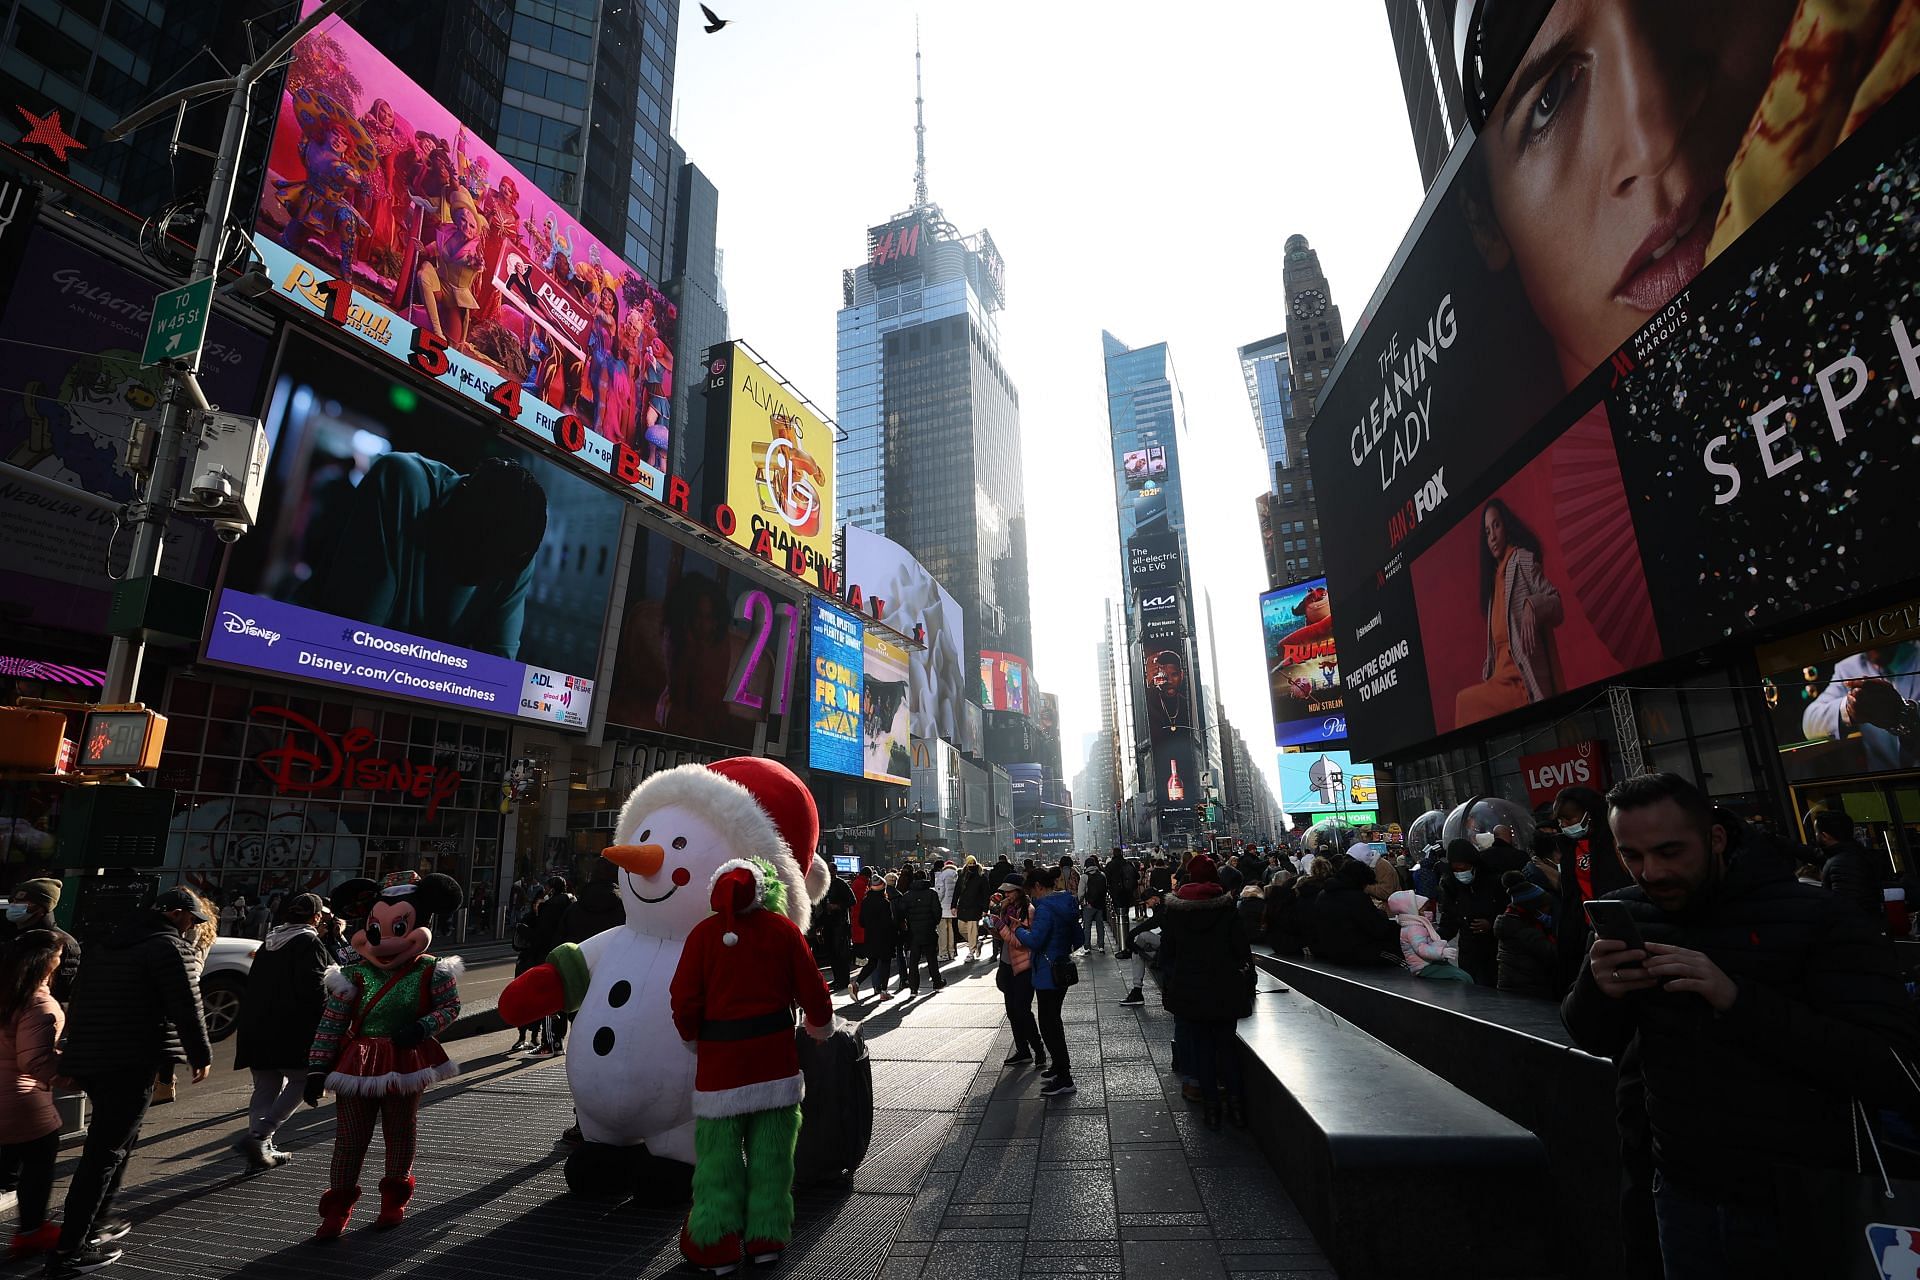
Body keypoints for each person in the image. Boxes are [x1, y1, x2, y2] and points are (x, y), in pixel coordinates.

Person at [1561, 772, 1917, 1277]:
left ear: (1717, 838)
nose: (1652, 872)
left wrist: (1735, 999)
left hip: (1806, 1199)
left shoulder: (1818, 917)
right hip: (1681, 1191)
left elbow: (1893, 1068)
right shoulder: (1629, 913)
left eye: (1669, 851)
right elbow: (1592, 1035)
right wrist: (1598, 989)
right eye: (1632, 855)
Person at [48, 887, 211, 1278]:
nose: (192, 927)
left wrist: (75, 1056)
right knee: (105, 1154)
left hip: (95, 1058)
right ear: (175, 914)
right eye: (191, 919)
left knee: (114, 1147)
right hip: (131, 1059)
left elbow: (82, 999)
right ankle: (70, 1250)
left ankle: (97, 1222)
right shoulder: (168, 947)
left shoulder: (108, 942)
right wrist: (200, 1054)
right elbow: (186, 1005)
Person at [233, 892, 332, 1172]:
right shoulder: (308, 942)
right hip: (291, 1029)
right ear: (315, 917)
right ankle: (260, 1136)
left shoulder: (269, 943)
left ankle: (262, 1151)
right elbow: (314, 990)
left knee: (265, 1086)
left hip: (257, 1026)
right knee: (301, 1081)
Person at [1156, 855, 1251, 1129]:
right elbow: (1240, 951)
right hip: (1224, 988)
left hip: (1189, 991)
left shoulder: (1176, 912)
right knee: (1226, 1047)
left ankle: (1211, 1108)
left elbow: (1167, 955)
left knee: (1202, 1052)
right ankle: (1237, 1107)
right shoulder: (1227, 909)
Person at [1453, 499, 1563, 726]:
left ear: (1506, 526)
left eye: (1496, 526)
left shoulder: (1522, 560)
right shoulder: (1493, 585)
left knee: (1464, 702)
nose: (1492, 536)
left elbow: (1556, 603)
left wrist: (1533, 605)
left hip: (1522, 683)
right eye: (1486, 531)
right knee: (1467, 705)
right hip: (1500, 681)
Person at [0, 931, 65, 1260]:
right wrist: (72, 1075)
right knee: (38, 1163)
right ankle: (31, 1232)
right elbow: (35, 1061)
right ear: (48, 964)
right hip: (22, 1101)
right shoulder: (38, 1002)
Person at [1553, 784, 1633, 997]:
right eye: (1560, 821)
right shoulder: (1568, 848)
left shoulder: (1614, 842)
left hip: (1616, 927)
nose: (1564, 826)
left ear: (1589, 813)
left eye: (1569, 819)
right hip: (1581, 930)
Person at [1015, 867, 1082, 1098]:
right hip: (1060, 969)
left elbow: (1035, 941)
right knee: (1054, 1021)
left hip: (1047, 973)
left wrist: (1018, 931)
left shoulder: (1045, 909)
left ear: (1038, 887)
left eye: (1031, 892)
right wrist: (1061, 951)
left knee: (1049, 1025)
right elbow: (1079, 938)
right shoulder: (1066, 902)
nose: (1031, 897)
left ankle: (1065, 1077)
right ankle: (1059, 1068)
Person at [1801, 642, 1920, 771]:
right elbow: (1810, 722)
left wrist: (1905, 711)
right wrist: (1849, 707)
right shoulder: (1847, 668)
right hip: (1885, 781)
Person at [153, 888, 216, 1106]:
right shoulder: (204, 926)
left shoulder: (190, 929)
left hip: (183, 974)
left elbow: (184, 951)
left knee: (168, 1032)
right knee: (170, 1033)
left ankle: (164, 1084)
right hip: (190, 975)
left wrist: (200, 1054)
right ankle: (164, 1083)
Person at [1307, 857, 1400, 966]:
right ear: (1360, 881)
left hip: (1330, 952)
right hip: (1356, 953)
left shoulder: (1323, 895)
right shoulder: (1356, 898)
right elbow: (1377, 927)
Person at [994, 877, 1045, 1070]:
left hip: (1023, 966)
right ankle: (1022, 1050)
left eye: (1010, 891)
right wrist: (993, 927)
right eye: (1005, 892)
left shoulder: (1028, 911)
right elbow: (1004, 937)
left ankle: (1038, 1049)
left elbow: (1019, 941)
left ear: (1019, 891)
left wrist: (1000, 926)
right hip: (1007, 963)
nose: (1006, 895)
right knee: (1012, 1011)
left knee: (1022, 1010)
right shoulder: (1006, 909)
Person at [1437, 839, 1503, 986]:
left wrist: (1491, 924)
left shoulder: (1494, 882)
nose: (1460, 874)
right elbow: (1449, 921)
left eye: (1463, 869)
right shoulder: (1452, 887)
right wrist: (1433, 939)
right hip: (1469, 953)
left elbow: (1506, 912)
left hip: (1494, 951)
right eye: (1456, 871)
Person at [0, 880, 79, 1002]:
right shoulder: (8, 935)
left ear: (41, 907)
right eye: (13, 901)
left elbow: (60, 990)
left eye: (22, 902)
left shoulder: (62, 944)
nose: (14, 905)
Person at [1808, 808, 1887, 927]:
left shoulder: (1842, 862)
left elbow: (1845, 905)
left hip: (1858, 934)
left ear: (1825, 836)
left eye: (1816, 832)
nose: (1815, 836)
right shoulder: (1852, 853)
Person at [525, 877, 574, 1055]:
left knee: (548, 1000)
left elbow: (541, 933)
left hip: (548, 955)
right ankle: (558, 1041)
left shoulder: (549, 906)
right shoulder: (572, 903)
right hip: (566, 955)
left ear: (552, 889)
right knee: (561, 1000)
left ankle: (548, 1043)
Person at [1494, 873, 1558, 997]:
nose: (1548, 911)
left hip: (1518, 986)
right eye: (1545, 907)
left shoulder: (1515, 921)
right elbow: (1552, 953)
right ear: (1533, 908)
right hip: (1524, 990)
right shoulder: (1522, 929)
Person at [1388, 889, 1471, 982]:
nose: (1426, 912)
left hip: (1428, 962)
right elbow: (1421, 948)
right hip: (1423, 966)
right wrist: (1441, 952)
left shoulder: (1417, 923)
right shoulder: (1414, 928)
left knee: (1461, 975)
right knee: (1462, 977)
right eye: (1423, 910)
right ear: (1412, 910)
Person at [1117, 890, 1169, 1008]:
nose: (1148, 905)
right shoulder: (1164, 905)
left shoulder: (1164, 908)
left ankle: (1137, 990)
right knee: (1138, 949)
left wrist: (1130, 936)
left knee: (1142, 937)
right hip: (1167, 942)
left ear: (1154, 898)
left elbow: (1152, 923)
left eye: (1147, 902)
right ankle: (1135, 951)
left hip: (1170, 944)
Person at [856, 872, 898, 1003]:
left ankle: (856, 983)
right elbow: (889, 922)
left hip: (870, 937)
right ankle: (884, 991)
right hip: (884, 937)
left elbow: (861, 921)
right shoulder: (884, 903)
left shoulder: (866, 902)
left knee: (872, 962)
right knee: (885, 962)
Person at [901, 870, 945, 995]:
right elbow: (937, 912)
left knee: (914, 961)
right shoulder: (932, 893)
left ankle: (913, 988)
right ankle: (937, 983)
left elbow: (902, 912)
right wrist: (933, 923)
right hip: (928, 930)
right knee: (932, 958)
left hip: (913, 931)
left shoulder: (907, 895)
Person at [816, 866, 856, 996]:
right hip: (828, 922)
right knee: (832, 952)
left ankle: (843, 980)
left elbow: (852, 900)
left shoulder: (841, 884)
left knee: (840, 952)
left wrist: (838, 906)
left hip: (840, 923)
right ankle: (837, 978)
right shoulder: (825, 884)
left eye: (831, 871)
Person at [953, 857, 990, 962]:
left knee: (972, 929)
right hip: (963, 907)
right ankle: (975, 943)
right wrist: (953, 905)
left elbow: (985, 894)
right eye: (969, 863)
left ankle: (971, 951)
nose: (971, 865)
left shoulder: (981, 877)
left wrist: (985, 908)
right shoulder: (962, 876)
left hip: (975, 907)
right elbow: (956, 892)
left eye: (972, 863)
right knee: (961, 929)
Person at [1080, 858, 1109, 954]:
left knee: (1087, 926)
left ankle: (1087, 947)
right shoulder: (1102, 875)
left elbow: (1081, 893)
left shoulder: (1084, 876)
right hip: (1100, 905)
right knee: (1100, 925)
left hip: (1089, 905)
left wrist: (1080, 902)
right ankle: (1101, 946)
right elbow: (1105, 889)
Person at [933, 859, 959, 962]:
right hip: (952, 907)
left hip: (943, 907)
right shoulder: (956, 875)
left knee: (942, 930)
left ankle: (943, 953)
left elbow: (941, 892)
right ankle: (951, 952)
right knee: (951, 930)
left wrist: (937, 902)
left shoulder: (942, 875)